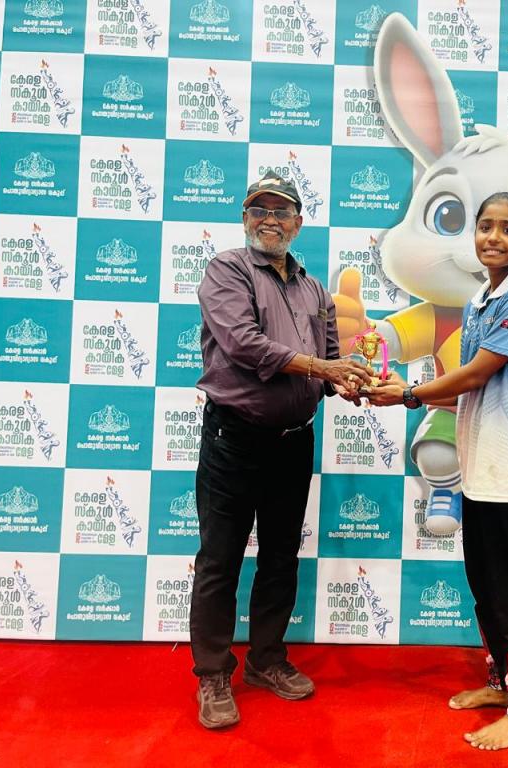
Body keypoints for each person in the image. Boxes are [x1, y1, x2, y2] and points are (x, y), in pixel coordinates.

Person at [367, 192, 508, 751]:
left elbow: (476, 374)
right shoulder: (480, 300)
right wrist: (404, 391)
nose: (493, 237)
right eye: (485, 226)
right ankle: (502, 683)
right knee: (486, 588)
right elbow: (471, 391)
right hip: (482, 469)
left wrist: (408, 393)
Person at [190, 174, 372, 730]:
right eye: (259, 210)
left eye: (281, 211)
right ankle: (213, 674)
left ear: (298, 222)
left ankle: (265, 659)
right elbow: (243, 343)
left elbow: (331, 355)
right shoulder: (228, 269)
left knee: (280, 556)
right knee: (220, 559)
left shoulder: (315, 290)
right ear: (245, 218)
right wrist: (323, 368)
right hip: (234, 438)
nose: (269, 219)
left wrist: (351, 382)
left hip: (294, 441)